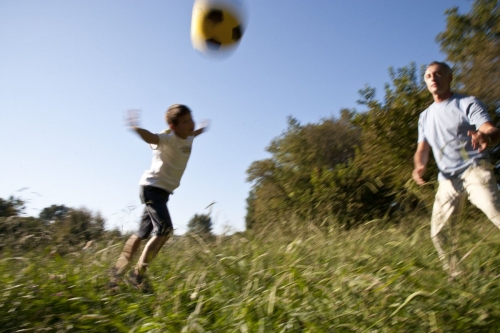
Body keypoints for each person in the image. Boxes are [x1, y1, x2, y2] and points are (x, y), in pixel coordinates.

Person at [413, 61, 500, 278]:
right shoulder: (425, 116)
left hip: (474, 169)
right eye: (429, 76)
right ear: (426, 81)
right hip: (447, 179)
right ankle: (458, 276)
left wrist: (486, 136)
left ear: (449, 78)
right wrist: (419, 165)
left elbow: (490, 128)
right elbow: (422, 148)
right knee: (438, 233)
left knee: (496, 213)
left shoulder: (467, 103)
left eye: (439, 74)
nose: (433, 78)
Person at [110, 105, 209, 292]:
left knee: (141, 234)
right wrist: (135, 128)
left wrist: (200, 130)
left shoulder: (188, 136)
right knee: (164, 229)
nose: (191, 124)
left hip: (162, 193)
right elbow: (151, 137)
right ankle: (137, 276)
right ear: (173, 126)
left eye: (191, 119)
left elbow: (193, 133)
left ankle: (116, 272)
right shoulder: (167, 139)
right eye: (186, 121)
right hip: (152, 189)